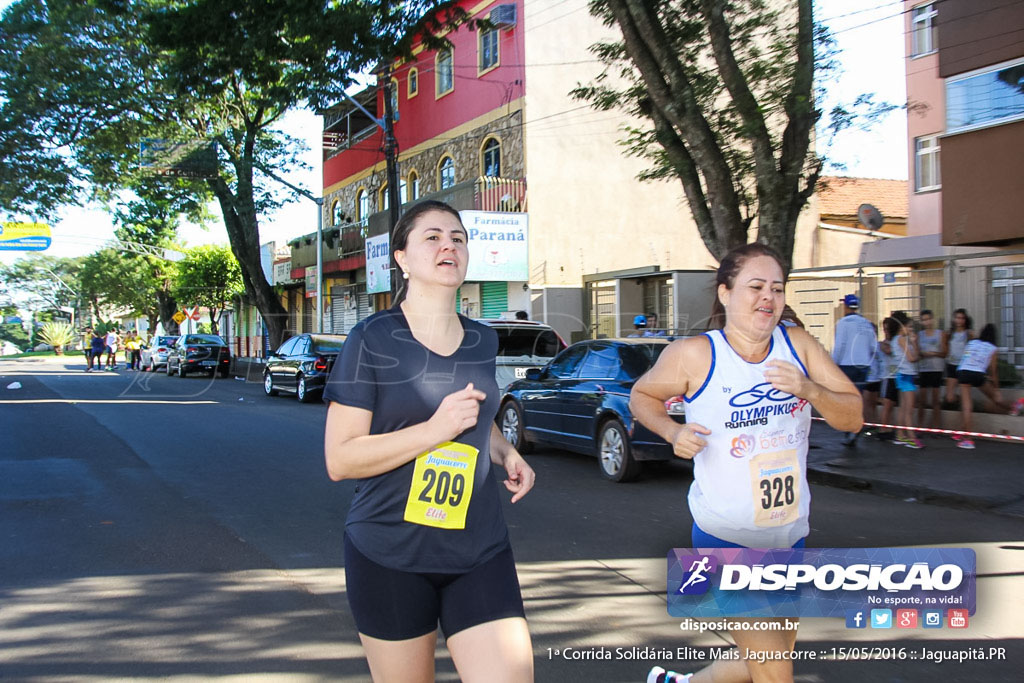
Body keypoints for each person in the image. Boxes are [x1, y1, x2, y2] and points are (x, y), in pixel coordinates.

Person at [322, 200, 535, 682]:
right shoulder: (371, 339)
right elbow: (340, 458)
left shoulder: (484, 339)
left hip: (479, 549)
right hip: (390, 553)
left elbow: (475, 415)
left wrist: (504, 451)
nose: (449, 246)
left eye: (458, 238)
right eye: (433, 237)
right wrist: (434, 431)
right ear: (402, 257)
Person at [629, 243, 862, 683]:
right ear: (725, 293)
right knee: (775, 674)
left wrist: (810, 389)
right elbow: (642, 396)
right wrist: (672, 431)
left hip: (790, 531)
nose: (768, 298)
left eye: (776, 288)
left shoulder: (798, 345)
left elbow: (853, 414)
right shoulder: (695, 354)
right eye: (755, 287)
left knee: (765, 660)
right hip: (727, 534)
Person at [955, 323, 1023, 449]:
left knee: (966, 406)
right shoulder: (992, 348)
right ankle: (1015, 405)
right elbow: (993, 371)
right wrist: (996, 388)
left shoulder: (972, 343)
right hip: (978, 374)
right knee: (996, 398)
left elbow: (967, 356)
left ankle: (967, 439)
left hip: (964, 371)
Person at [831, 294, 876, 446]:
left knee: (846, 399)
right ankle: (855, 428)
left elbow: (839, 346)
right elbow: (872, 346)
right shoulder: (866, 324)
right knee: (858, 398)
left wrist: (832, 365)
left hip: (847, 365)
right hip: (863, 366)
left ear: (846, 306)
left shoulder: (843, 323)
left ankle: (850, 430)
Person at [890, 312, 923, 448]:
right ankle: (911, 437)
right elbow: (911, 358)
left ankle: (900, 435)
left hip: (901, 374)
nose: (910, 330)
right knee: (909, 408)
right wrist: (915, 346)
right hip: (906, 375)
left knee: (903, 408)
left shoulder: (895, 339)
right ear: (901, 326)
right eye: (908, 327)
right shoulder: (902, 339)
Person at [916, 310, 945, 431]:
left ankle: (936, 427)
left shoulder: (940, 334)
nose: (927, 322)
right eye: (924, 320)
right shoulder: (919, 335)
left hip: (937, 369)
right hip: (924, 369)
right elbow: (917, 352)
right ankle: (920, 427)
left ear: (932, 319)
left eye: (928, 319)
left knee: (935, 400)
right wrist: (922, 353)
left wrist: (933, 353)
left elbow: (944, 352)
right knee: (922, 400)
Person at [943, 308, 974, 408]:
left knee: (965, 392)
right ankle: (959, 401)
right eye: (957, 318)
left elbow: (973, 349)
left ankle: (966, 408)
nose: (959, 320)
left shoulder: (969, 333)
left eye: (962, 318)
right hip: (951, 365)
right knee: (949, 397)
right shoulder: (949, 333)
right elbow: (946, 349)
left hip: (964, 366)